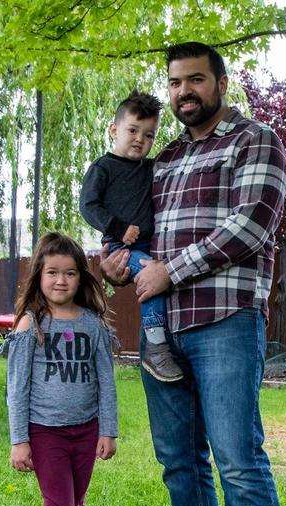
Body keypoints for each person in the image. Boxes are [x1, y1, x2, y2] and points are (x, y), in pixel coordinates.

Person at [100, 41, 286, 506]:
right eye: (176, 83)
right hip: (164, 330)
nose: (184, 91)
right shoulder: (159, 161)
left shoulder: (253, 141)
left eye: (196, 80)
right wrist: (118, 259)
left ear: (220, 83)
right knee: (179, 460)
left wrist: (170, 269)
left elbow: (251, 226)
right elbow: (144, 237)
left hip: (225, 322)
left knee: (237, 458)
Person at [5, 231, 119, 506]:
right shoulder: (30, 324)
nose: (60, 280)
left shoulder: (93, 324)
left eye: (69, 273)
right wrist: (19, 440)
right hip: (45, 433)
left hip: (85, 432)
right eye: (52, 272)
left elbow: (107, 382)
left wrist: (108, 430)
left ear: (80, 278)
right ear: (39, 275)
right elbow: (17, 388)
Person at [79, 90, 184, 383]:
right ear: (114, 130)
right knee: (153, 278)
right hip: (121, 245)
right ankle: (155, 347)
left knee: (157, 277)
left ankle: (160, 343)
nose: (141, 139)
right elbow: (88, 206)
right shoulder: (104, 168)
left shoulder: (150, 168)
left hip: (148, 245)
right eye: (133, 130)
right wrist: (118, 227)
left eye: (149, 135)